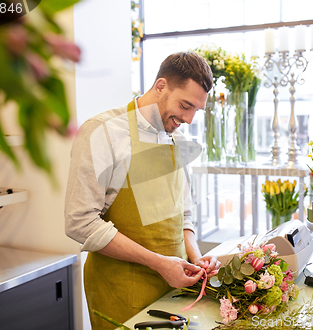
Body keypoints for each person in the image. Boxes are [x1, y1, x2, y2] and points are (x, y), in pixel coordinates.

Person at [65, 51, 220, 330]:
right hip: (121, 292)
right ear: (161, 86)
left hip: (176, 294)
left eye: (196, 110)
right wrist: (159, 263)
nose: (189, 118)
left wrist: (196, 256)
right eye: (185, 105)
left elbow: (183, 215)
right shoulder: (102, 132)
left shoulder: (178, 140)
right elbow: (80, 222)